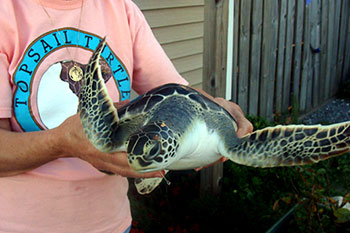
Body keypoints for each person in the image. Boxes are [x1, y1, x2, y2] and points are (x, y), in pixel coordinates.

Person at [0, 0, 253, 232]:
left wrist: (217, 108)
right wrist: (62, 143)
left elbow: (177, 95)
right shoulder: (6, 12)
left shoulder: (120, 9)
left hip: (111, 225)